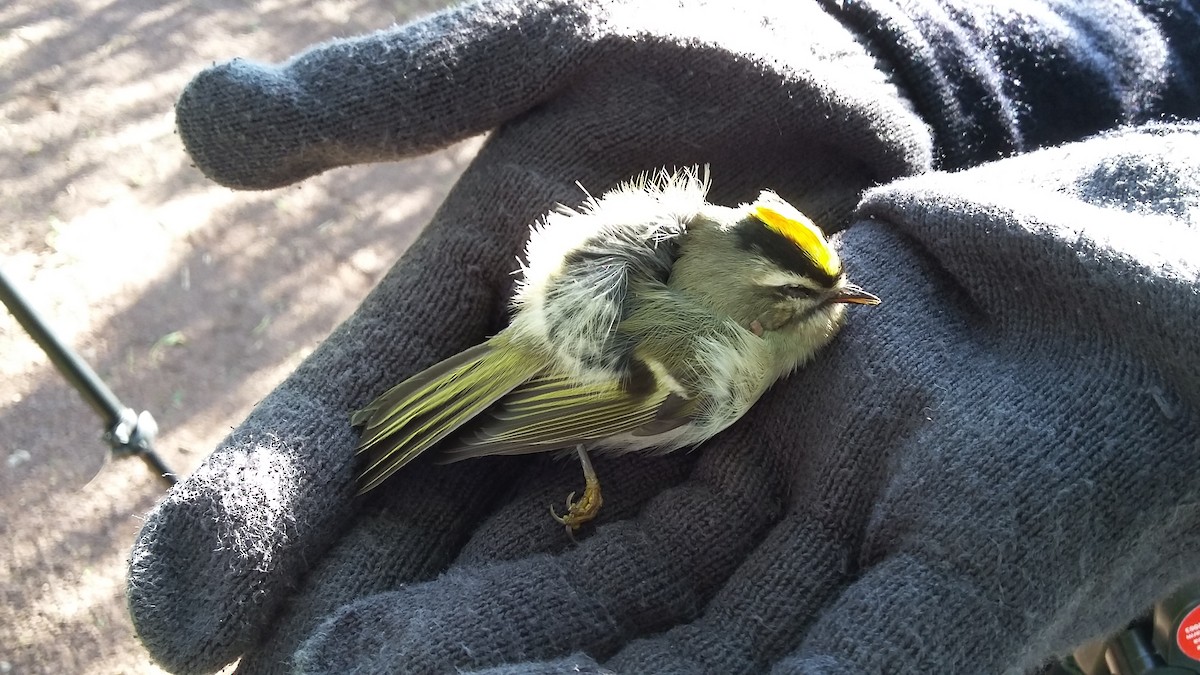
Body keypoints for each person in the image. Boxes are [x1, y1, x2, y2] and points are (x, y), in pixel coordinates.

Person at [126, 1, 1200, 673]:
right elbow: (577, 389)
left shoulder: (724, 238)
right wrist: (919, 49)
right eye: (802, 301)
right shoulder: (717, 370)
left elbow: (650, 245)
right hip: (567, 359)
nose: (840, 300)